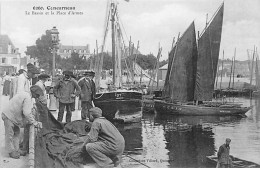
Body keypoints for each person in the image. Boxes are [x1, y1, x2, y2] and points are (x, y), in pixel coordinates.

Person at [1, 85, 43, 159]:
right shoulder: (27, 97)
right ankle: (11, 151)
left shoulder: (25, 93)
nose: (37, 97)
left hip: (14, 116)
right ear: (34, 93)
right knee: (10, 134)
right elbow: (26, 112)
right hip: (9, 115)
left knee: (16, 133)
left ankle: (17, 149)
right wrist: (34, 122)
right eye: (37, 95)